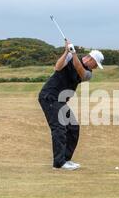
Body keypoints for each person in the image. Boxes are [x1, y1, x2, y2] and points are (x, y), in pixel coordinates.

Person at [38, 39, 104, 171]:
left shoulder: (88, 74)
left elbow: (80, 70)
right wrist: (66, 52)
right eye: (96, 64)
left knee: (73, 128)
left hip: (61, 101)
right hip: (50, 97)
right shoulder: (69, 57)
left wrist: (73, 54)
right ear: (90, 59)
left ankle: (66, 159)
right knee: (59, 129)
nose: (96, 67)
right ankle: (59, 163)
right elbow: (57, 67)